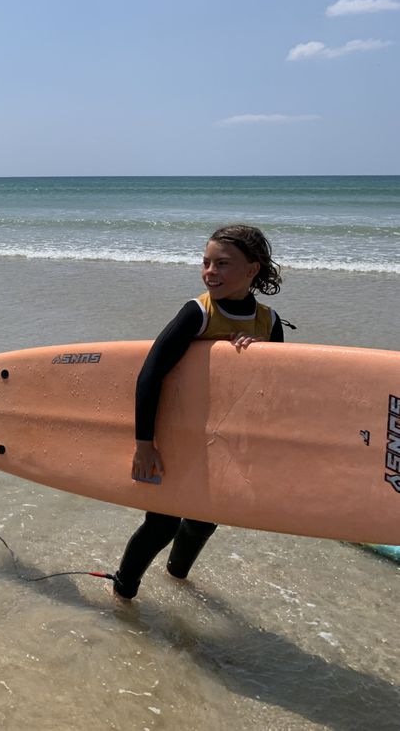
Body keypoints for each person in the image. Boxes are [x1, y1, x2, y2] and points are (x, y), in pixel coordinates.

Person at [112, 224, 285, 600]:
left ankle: (177, 578)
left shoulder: (268, 324)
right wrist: (145, 443)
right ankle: (123, 592)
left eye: (222, 264)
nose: (210, 272)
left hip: (224, 440)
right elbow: (150, 373)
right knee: (161, 523)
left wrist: (255, 356)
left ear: (252, 270)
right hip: (176, 435)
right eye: (206, 262)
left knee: (205, 520)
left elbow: (270, 393)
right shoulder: (198, 313)